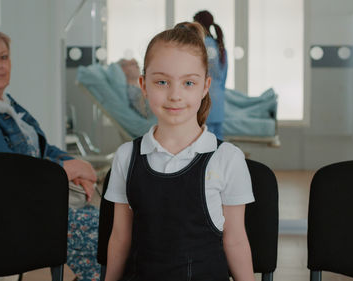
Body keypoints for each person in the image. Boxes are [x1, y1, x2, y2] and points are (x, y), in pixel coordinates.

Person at [103, 22, 255, 281]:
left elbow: (236, 241)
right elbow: (120, 237)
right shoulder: (126, 156)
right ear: (144, 84)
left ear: (205, 86)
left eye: (188, 83)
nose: (175, 95)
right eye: (162, 82)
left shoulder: (228, 158)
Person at [0, 28, 100, 281]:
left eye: (3, 57)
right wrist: (66, 172)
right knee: (104, 234)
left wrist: (76, 164)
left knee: (113, 226)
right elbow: (11, 175)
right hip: (10, 217)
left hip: (37, 202)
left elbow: (43, 149)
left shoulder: (6, 104)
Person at [194, 10, 228, 140]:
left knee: (202, 142)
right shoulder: (220, 47)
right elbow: (223, 78)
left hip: (204, 100)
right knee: (217, 143)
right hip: (219, 101)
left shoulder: (197, 45)